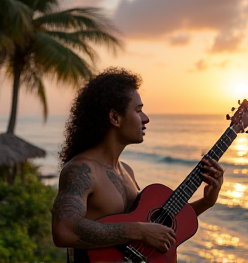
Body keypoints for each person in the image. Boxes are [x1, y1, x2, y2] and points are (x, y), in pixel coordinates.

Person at [52, 66, 225, 263]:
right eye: (138, 110)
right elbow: (63, 230)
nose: (146, 118)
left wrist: (206, 202)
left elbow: (157, 228)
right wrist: (139, 230)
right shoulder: (82, 170)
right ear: (115, 118)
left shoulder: (126, 171)